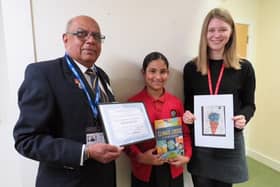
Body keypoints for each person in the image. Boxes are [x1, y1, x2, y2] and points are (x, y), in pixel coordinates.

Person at [13, 15, 123, 187]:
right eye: (81, 34)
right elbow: (26, 140)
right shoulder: (43, 74)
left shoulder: (102, 76)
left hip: (104, 178)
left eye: (96, 36)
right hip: (66, 181)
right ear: (65, 39)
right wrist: (84, 152)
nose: (90, 40)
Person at [183, 8, 256, 187]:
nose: (217, 35)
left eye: (222, 29)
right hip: (202, 144)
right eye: (211, 30)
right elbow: (188, 104)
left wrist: (244, 117)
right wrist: (187, 115)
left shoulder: (244, 68)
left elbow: (249, 105)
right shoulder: (192, 68)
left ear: (231, 32)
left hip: (229, 143)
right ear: (205, 33)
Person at [125, 52, 192, 187]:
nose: (157, 77)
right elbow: (127, 140)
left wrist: (187, 156)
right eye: (152, 71)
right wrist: (140, 157)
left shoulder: (176, 103)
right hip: (144, 171)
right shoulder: (133, 103)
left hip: (172, 170)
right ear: (143, 73)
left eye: (163, 72)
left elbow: (185, 133)